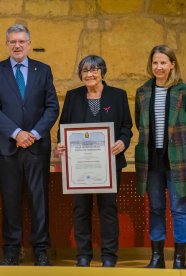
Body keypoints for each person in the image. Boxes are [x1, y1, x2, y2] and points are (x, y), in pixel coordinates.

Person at [0, 24, 59, 266]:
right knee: (10, 199)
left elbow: (52, 107)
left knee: (39, 199)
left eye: (21, 41)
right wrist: (17, 133)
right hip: (8, 147)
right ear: (7, 44)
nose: (17, 45)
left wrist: (35, 133)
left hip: (37, 147)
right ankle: (11, 249)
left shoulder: (43, 70)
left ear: (28, 43)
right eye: (12, 42)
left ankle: (40, 250)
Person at [56, 55, 133, 267]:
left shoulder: (118, 96)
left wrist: (122, 141)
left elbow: (127, 126)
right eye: (85, 71)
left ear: (102, 71)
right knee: (80, 209)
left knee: (107, 209)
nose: (89, 74)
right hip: (78, 165)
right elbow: (63, 128)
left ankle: (109, 255)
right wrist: (61, 143)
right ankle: (83, 255)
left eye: (94, 69)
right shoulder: (73, 96)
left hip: (109, 164)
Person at [135, 45, 186, 269]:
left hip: (178, 161)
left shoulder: (185, 91)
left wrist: (180, 144)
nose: (159, 67)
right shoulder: (143, 92)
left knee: (179, 208)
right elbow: (140, 124)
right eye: (155, 62)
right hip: (152, 161)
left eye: (163, 62)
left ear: (172, 64)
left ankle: (180, 259)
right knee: (155, 208)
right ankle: (157, 257)